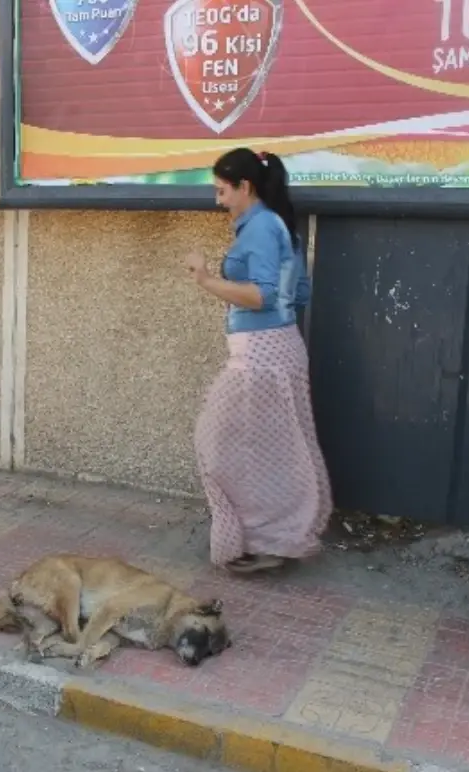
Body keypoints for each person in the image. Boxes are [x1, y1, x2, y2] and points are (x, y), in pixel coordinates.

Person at [184, 148, 331, 574]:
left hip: (262, 355)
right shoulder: (275, 225)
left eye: (221, 190)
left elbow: (261, 294)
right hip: (275, 347)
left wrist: (205, 278)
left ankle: (266, 539)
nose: (217, 200)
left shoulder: (262, 228)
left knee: (215, 441)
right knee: (269, 450)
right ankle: (267, 539)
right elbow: (297, 294)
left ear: (244, 186)